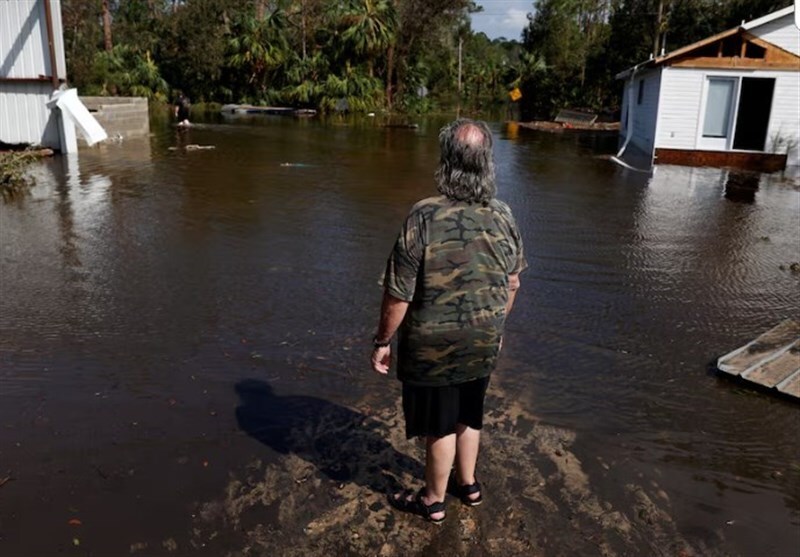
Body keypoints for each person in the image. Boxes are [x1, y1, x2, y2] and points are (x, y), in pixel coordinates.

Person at [371, 119, 527, 523]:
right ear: (487, 163)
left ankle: (433, 500)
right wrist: (496, 326)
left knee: (439, 424)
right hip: (484, 336)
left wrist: (382, 340)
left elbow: (398, 293)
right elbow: (512, 282)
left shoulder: (423, 214)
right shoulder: (503, 214)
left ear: (447, 161)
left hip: (433, 342)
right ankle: (469, 485)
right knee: (470, 413)